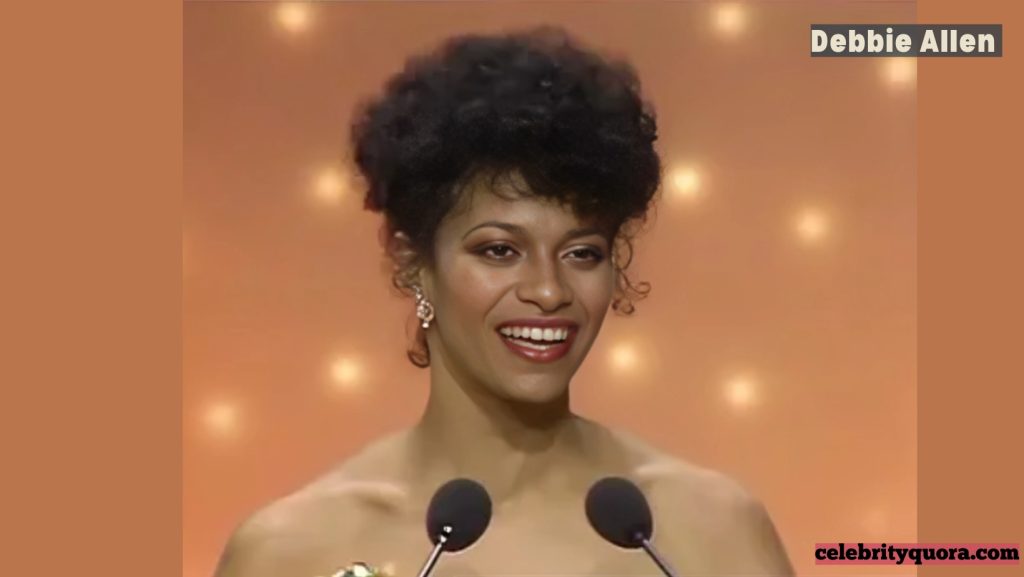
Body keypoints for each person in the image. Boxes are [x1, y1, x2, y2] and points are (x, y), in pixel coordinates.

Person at [214, 26, 794, 577]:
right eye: (498, 251)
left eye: (582, 253)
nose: (547, 291)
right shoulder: (294, 550)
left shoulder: (712, 530)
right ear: (411, 259)